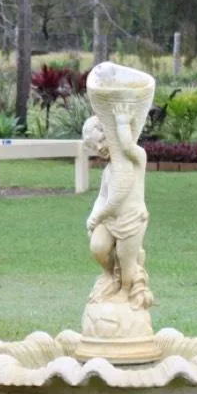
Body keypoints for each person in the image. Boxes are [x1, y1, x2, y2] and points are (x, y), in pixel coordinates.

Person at [83, 107, 152, 310]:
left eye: (101, 140)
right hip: (110, 219)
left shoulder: (137, 157)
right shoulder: (109, 170)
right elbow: (103, 197)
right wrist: (94, 217)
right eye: (93, 145)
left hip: (132, 219)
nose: (99, 147)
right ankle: (112, 275)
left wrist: (122, 122)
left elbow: (127, 146)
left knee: (126, 258)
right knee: (98, 247)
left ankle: (125, 290)